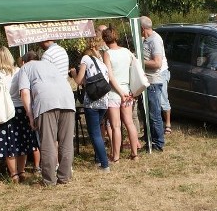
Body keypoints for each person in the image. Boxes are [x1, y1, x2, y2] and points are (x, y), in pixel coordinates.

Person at [18, 56, 76, 186]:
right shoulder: (50, 64)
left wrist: (30, 115)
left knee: (48, 142)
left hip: (46, 102)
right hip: (68, 100)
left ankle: (49, 180)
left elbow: (25, 93)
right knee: (66, 141)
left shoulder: (25, 68)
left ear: (23, 62)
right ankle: (64, 176)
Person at [71, 34, 115, 172]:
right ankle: (99, 158)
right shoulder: (101, 60)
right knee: (98, 131)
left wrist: (73, 73)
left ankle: (104, 163)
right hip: (103, 100)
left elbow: (79, 81)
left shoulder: (85, 59)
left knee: (95, 133)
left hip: (91, 102)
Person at [102, 27, 140, 161]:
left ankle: (116, 156)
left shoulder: (107, 54)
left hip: (114, 93)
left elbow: (110, 77)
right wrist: (127, 91)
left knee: (116, 126)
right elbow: (135, 70)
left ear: (104, 40)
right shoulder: (126, 51)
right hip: (128, 91)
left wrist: (120, 92)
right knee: (129, 123)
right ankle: (135, 153)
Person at [0, 46, 24, 182]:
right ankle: (21, 171)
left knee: (9, 144)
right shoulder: (18, 71)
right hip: (20, 109)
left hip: (5, 112)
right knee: (21, 142)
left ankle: (14, 174)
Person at [10, 51, 42, 175]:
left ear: (24, 62)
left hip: (23, 108)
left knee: (22, 140)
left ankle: (21, 169)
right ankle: (37, 166)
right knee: (34, 139)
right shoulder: (37, 71)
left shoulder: (22, 71)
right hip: (34, 107)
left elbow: (23, 92)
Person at [141, 15, 167, 152]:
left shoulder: (155, 40)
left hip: (153, 82)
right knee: (147, 113)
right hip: (146, 81)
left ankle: (158, 143)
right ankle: (149, 140)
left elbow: (157, 63)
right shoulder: (146, 39)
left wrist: (139, 61)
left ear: (142, 28)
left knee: (154, 113)